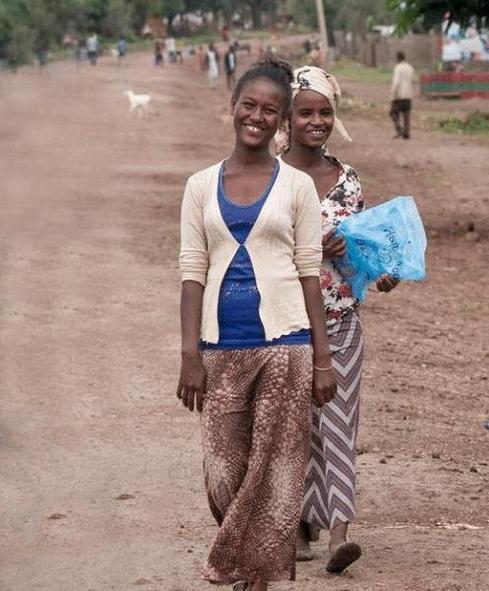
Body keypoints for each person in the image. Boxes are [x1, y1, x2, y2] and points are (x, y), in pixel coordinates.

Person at [177, 58, 337, 591]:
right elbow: (192, 271)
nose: (258, 117)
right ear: (233, 108)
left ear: (282, 120)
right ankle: (246, 556)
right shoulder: (200, 186)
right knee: (223, 472)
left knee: (279, 467)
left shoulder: (297, 187)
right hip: (222, 347)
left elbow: (310, 274)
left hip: (287, 343)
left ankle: (255, 576)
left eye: (271, 110)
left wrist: (321, 358)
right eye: (250, 106)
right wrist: (188, 354)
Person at [278, 66, 399, 574]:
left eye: (325, 112)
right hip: (281, 321)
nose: (317, 121)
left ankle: (339, 536)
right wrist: (306, 246)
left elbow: (369, 257)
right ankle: (302, 521)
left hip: (341, 321)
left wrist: (376, 264)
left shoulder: (348, 182)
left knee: (339, 425)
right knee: (293, 427)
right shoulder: (270, 175)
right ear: (288, 116)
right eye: (306, 112)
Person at [389, 51, 415, 139]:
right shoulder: (410, 68)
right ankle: (406, 133)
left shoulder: (398, 68)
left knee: (393, 112)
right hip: (408, 95)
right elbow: (412, 80)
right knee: (406, 114)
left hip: (399, 95)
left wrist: (392, 93)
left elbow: (396, 82)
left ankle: (399, 129)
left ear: (398, 58)